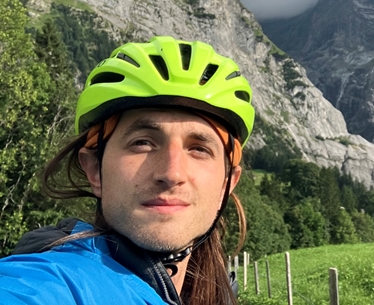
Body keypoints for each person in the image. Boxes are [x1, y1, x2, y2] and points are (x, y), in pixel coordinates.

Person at [0, 36, 255, 305]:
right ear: (94, 170)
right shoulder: (49, 285)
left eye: (199, 149)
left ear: (227, 183)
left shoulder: (217, 293)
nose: (172, 174)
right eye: (142, 143)